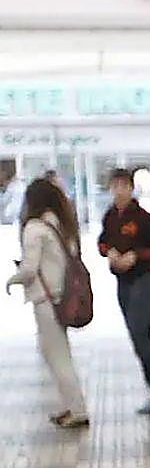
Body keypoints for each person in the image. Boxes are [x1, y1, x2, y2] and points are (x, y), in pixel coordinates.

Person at [5, 178, 89, 428]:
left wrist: (12, 280)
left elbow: (30, 269)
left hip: (46, 299)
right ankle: (70, 406)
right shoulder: (61, 224)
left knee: (56, 356)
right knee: (59, 353)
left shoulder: (34, 228)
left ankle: (77, 409)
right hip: (63, 297)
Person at [99, 168, 150, 413]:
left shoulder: (143, 218)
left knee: (140, 333)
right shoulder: (110, 217)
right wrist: (109, 252)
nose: (119, 191)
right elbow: (102, 242)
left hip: (143, 279)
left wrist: (136, 255)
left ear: (131, 188)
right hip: (122, 282)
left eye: (123, 186)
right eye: (115, 186)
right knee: (136, 338)